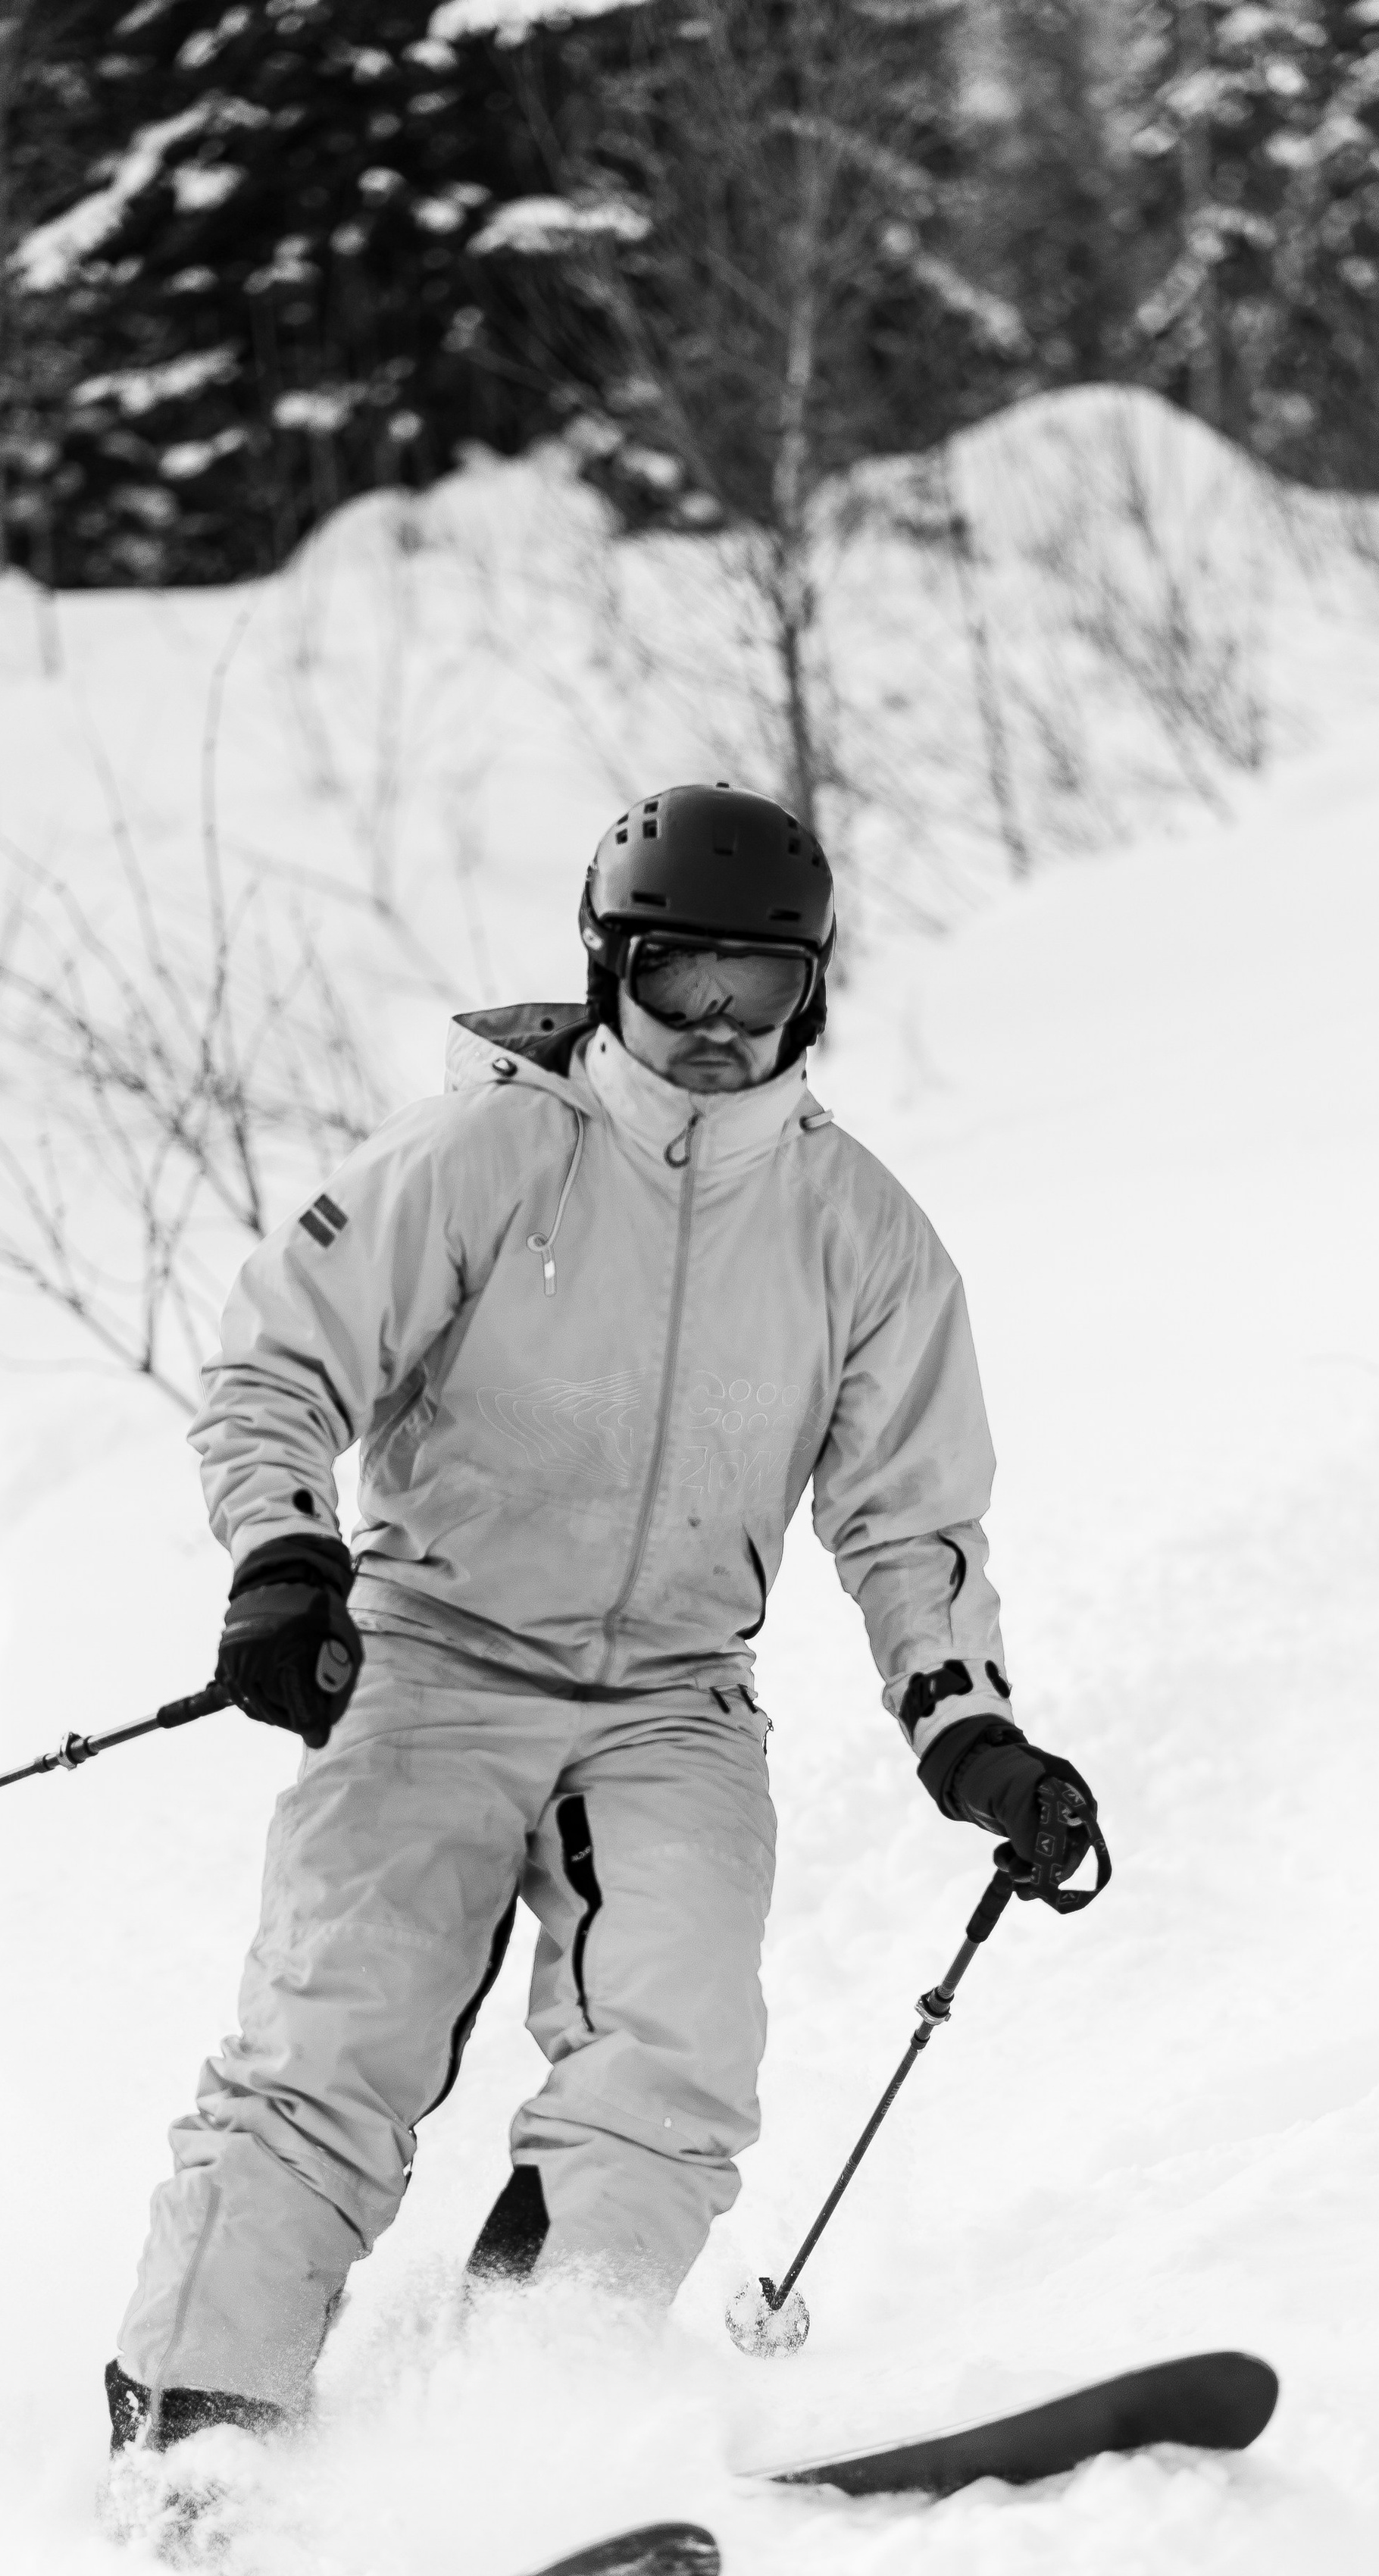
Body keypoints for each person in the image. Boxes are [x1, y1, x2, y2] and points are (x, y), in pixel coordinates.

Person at [107, 782, 1102, 2460]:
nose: (715, 1028)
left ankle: (508, 2421)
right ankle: (198, 2430)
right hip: (430, 1654)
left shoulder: (861, 1235)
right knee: (334, 2038)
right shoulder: (486, 1155)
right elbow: (277, 1364)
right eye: (675, 984)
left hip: (670, 1701)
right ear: (607, 971)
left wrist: (970, 1730)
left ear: (813, 990)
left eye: (757, 990)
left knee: (677, 2056)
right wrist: (284, 1560)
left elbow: (906, 1519)